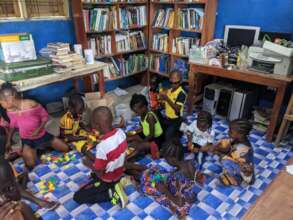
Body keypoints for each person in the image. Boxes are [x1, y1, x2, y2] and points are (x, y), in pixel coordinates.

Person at [0, 83, 69, 170]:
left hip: (42, 136)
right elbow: (12, 125)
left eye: (1, 102)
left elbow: (45, 116)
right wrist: (8, 141)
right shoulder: (9, 111)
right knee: (30, 165)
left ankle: (41, 148)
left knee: (65, 148)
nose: (1, 105)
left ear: (10, 98)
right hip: (27, 140)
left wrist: (38, 129)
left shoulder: (31, 104)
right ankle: (37, 150)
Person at [73, 106, 128, 208]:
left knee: (77, 197)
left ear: (97, 126)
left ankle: (110, 194)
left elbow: (100, 172)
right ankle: (117, 183)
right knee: (93, 174)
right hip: (119, 172)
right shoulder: (121, 133)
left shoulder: (102, 146)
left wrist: (88, 164)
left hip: (108, 178)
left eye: (92, 123)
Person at [140, 137, 204, 218]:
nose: (166, 161)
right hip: (187, 192)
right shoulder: (192, 162)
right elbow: (196, 179)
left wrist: (164, 190)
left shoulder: (178, 176)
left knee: (147, 184)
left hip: (178, 198)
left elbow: (178, 202)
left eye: (166, 159)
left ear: (172, 159)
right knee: (154, 171)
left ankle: (140, 186)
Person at [0, 126, 59, 211]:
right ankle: (41, 203)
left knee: (23, 176)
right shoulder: (3, 167)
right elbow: (15, 195)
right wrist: (12, 188)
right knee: (15, 186)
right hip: (7, 193)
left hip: (5, 180)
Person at [214, 119, 255, 186]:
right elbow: (228, 148)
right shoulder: (237, 139)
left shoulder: (243, 148)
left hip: (245, 172)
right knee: (222, 146)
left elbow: (229, 154)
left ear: (240, 134)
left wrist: (218, 151)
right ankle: (232, 174)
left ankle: (236, 179)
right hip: (240, 164)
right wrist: (217, 147)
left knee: (224, 159)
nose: (228, 132)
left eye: (231, 131)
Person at [128, 94, 164, 160]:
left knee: (140, 146)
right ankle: (119, 146)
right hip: (147, 135)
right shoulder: (142, 114)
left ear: (144, 107)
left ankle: (126, 158)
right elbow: (143, 127)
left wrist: (142, 141)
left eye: (136, 111)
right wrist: (135, 132)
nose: (136, 113)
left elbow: (151, 135)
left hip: (156, 140)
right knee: (132, 137)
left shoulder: (150, 116)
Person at [159, 70, 187, 140]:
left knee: (168, 137)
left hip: (176, 120)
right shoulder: (169, 90)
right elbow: (164, 106)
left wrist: (167, 99)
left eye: (176, 83)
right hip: (167, 118)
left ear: (180, 82)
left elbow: (177, 109)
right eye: (171, 82)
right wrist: (161, 100)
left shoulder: (181, 93)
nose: (173, 85)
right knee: (159, 133)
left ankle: (179, 131)